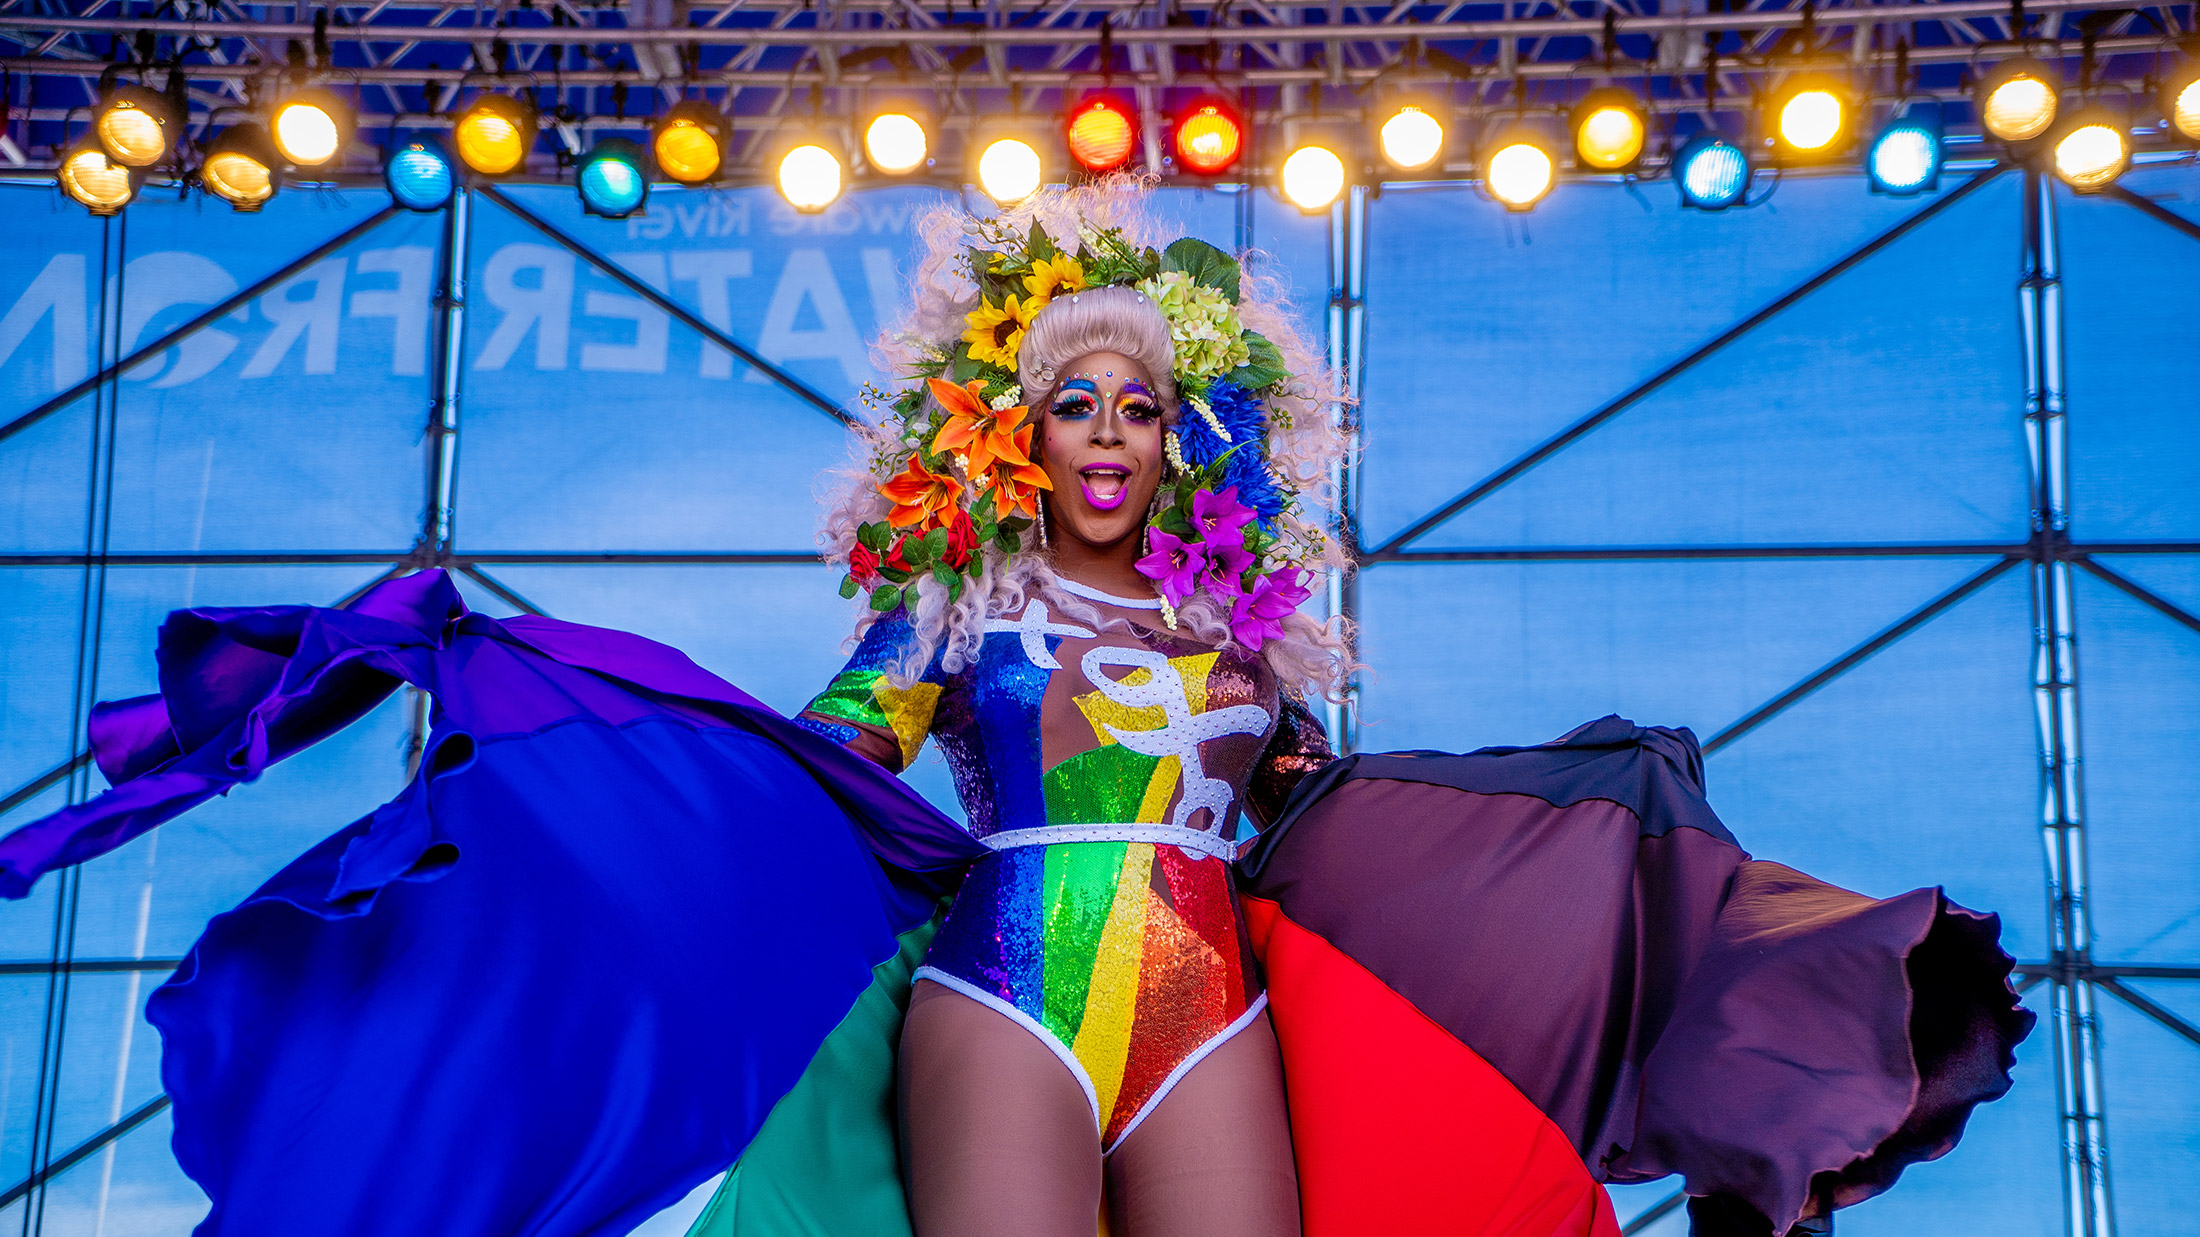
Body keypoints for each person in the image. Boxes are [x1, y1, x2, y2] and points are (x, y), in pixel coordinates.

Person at [0, 181, 2032, 1237]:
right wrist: (639, 770)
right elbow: (820, 771)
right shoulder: (945, 604)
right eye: (1074, 398)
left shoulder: (1252, 655)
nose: (1109, 433)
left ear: (1185, 435)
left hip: (1209, 1008)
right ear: (1013, 423)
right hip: (1003, 1003)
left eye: (1144, 405)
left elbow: (1339, 838)